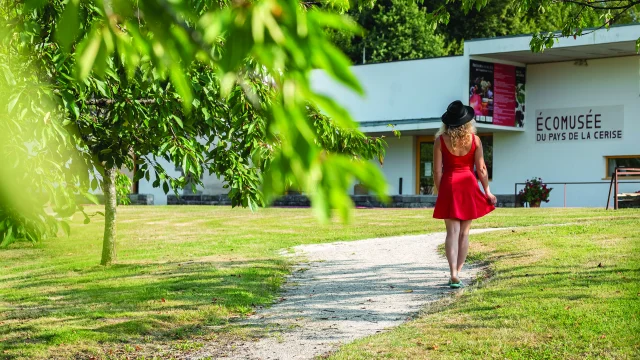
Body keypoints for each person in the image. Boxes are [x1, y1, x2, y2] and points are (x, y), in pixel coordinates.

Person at [433, 100, 497, 288]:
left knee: (451, 232)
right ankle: (458, 274)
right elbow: (482, 169)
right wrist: (487, 191)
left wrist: (440, 191)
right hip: (468, 184)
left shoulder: (440, 140)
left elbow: (437, 172)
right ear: (467, 121)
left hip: (450, 185)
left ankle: (452, 272)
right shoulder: (474, 140)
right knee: (464, 233)